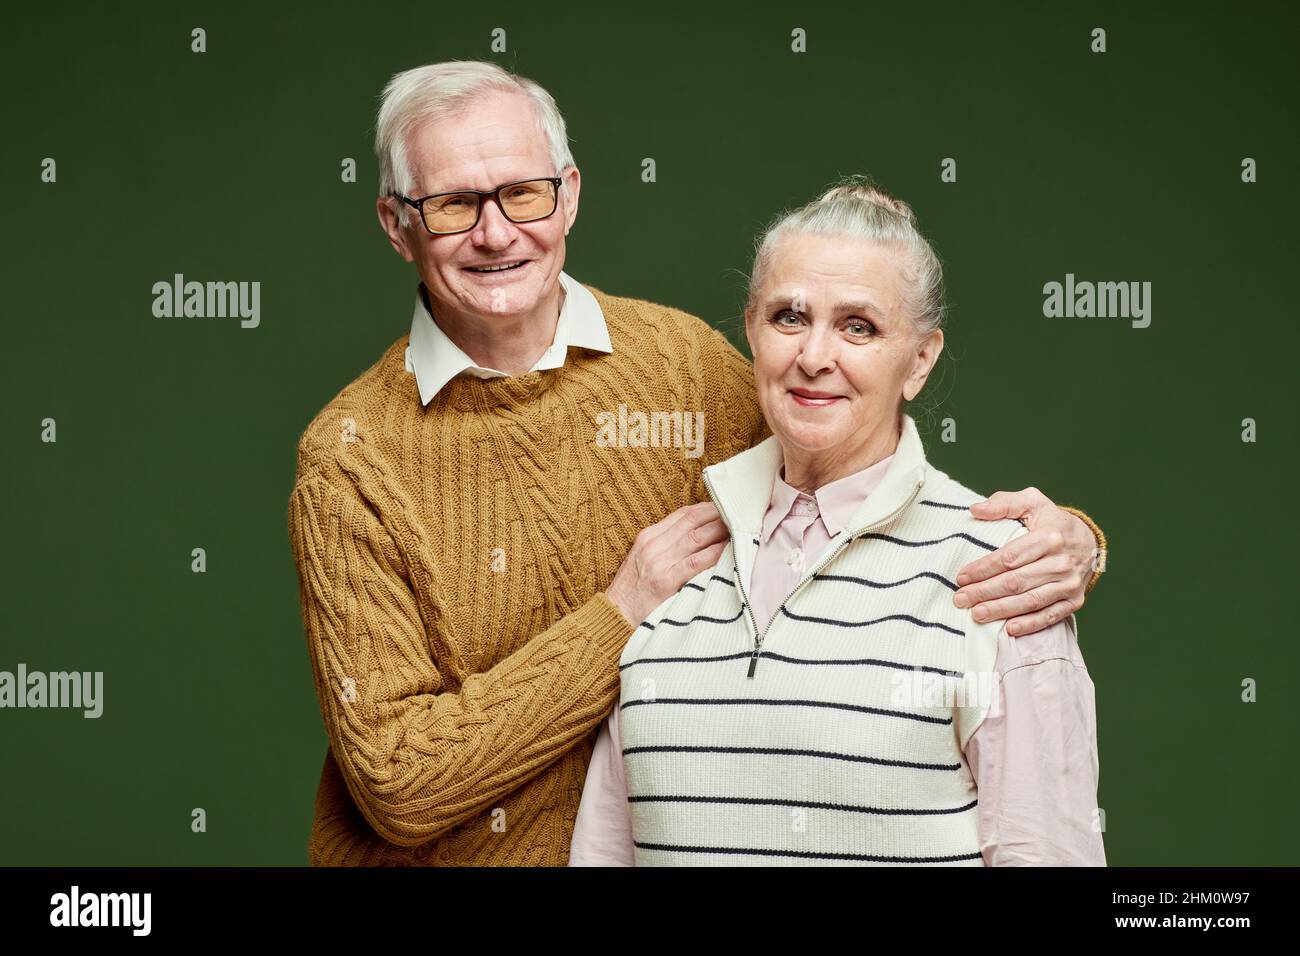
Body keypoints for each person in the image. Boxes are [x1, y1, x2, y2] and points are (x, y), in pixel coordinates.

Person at [286, 60, 1107, 866]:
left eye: (522, 193)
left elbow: (852, 451)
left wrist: (1072, 542)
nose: (497, 232)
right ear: (398, 225)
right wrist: (618, 617)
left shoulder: (682, 365)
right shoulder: (351, 460)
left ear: (569, 194)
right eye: (454, 204)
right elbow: (396, 782)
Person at [568, 179, 1106, 866]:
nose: (815, 356)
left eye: (860, 326)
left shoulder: (1006, 576)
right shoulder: (668, 572)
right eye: (790, 317)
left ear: (919, 360)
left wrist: (1087, 544)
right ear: (751, 330)